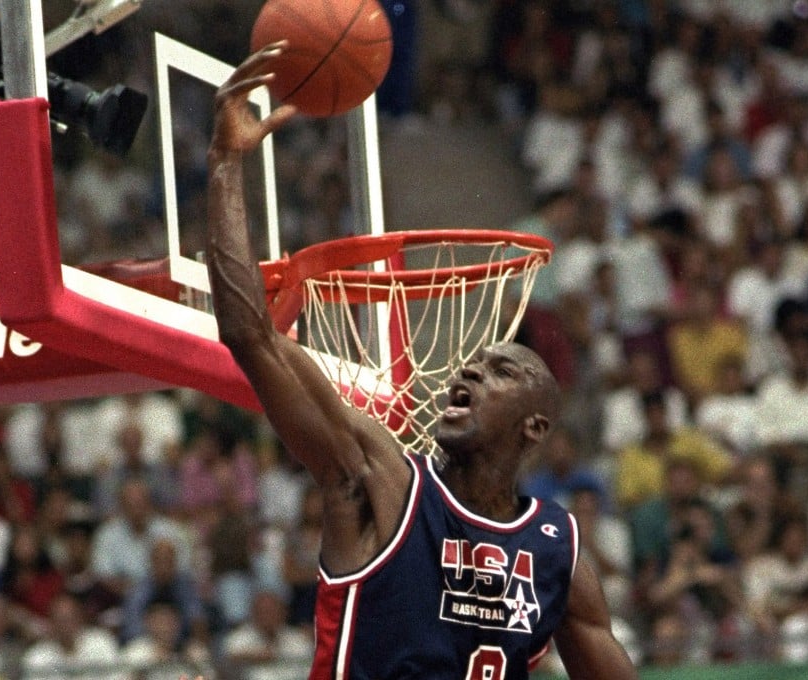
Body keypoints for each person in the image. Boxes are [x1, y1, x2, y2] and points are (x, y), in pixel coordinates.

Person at [204, 42, 637, 679]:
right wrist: (224, 163)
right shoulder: (378, 478)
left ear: (536, 426)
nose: (467, 371)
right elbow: (252, 336)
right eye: (473, 364)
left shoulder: (559, 549)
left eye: (501, 371)